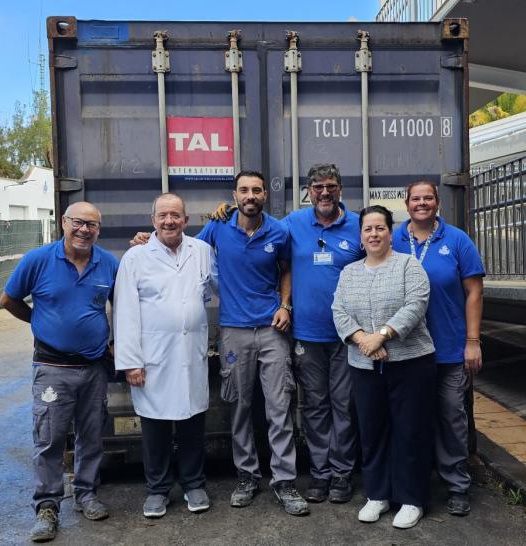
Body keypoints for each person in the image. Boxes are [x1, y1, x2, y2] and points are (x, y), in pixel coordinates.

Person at [0, 201, 120, 543]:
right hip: (52, 368)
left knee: (92, 435)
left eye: (92, 225)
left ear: (99, 229)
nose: (84, 230)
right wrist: (39, 322)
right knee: (49, 439)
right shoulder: (37, 260)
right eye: (78, 223)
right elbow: (9, 300)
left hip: (94, 367)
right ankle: (47, 507)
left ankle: (85, 494)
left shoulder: (108, 264)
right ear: (63, 223)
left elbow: (122, 305)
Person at [194, 171, 309, 516]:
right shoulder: (218, 226)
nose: (250, 195)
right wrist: (149, 239)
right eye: (244, 190)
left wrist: (285, 305)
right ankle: (247, 476)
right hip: (233, 330)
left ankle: (284, 481)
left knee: (278, 406)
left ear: (263, 196)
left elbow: (286, 269)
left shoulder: (279, 230)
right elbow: (185, 252)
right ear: (235, 195)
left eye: (256, 190)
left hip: (273, 329)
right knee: (240, 407)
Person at [114, 193, 216, 519]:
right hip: (152, 357)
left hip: (191, 354)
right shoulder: (136, 257)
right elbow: (126, 311)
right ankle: (157, 489)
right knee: (155, 427)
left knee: (192, 424)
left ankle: (193, 483)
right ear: (153, 220)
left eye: (175, 215)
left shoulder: (202, 251)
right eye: (163, 215)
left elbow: (216, 289)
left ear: (186, 220)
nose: (169, 221)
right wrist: (131, 361)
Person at [332, 204, 435, 530]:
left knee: (410, 431)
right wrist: (362, 339)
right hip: (364, 366)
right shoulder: (349, 273)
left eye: (380, 228)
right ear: (360, 236)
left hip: (411, 363)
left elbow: (416, 304)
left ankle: (411, 499)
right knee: (372, 431)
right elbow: (338, 310)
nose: (373, 234)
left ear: (391, 233)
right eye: (367, 229)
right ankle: (377, 494)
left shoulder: (408, 266)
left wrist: (383, 336)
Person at [391, 180, 485, 516]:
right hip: (407, 350)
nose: (421, 203)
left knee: (451, 418)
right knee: (410, 420)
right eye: (415, 198)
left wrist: (472, 342)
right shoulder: (393, 238)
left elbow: (474, 292)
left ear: (437, 203)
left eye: (427, 198)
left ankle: (458, 486)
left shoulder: (457, 240)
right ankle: (414, 486)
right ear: (406, 203)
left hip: (448, 349)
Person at [283, 163, 364, 503]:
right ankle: (320, 474)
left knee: (344, 406)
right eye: (317, 187)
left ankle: (342, 475)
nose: (325, 192)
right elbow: (254, 234)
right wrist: (225, 215)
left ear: (340, 189)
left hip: (349, 337)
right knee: (315, 406)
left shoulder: (360, 224)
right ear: (308, 191)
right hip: (307, 336)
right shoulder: (293, 224)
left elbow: (389, 251)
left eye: (331, 185)